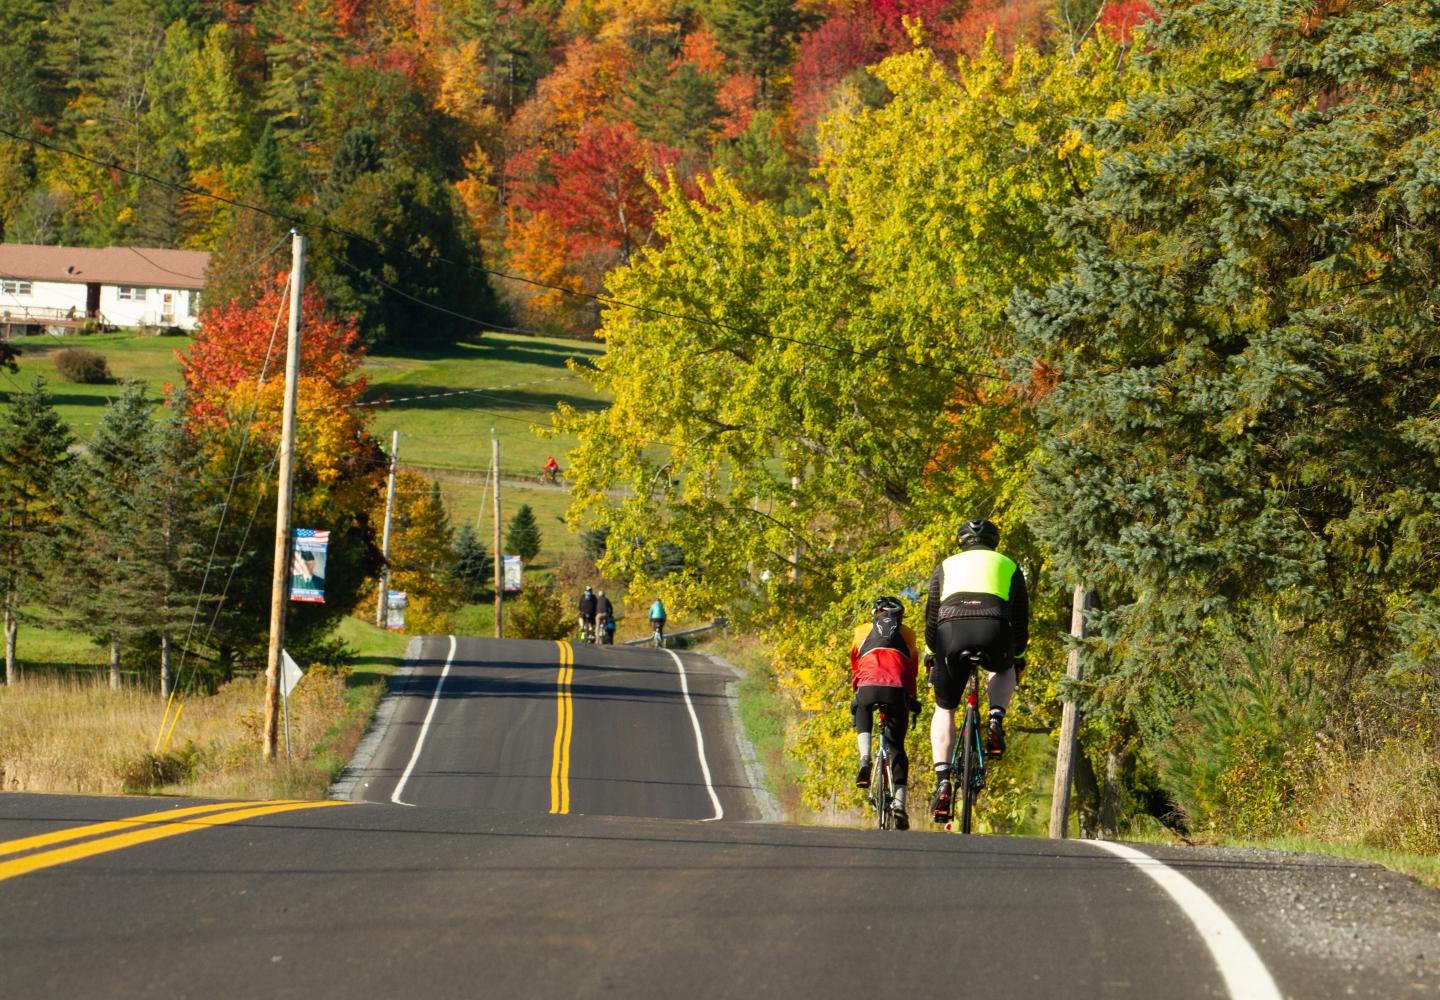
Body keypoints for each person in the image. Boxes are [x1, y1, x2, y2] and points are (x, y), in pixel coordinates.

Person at [924, 518, 1029, 824]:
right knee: (1005, 666)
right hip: (994, 628)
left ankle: (943, 779)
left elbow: (931, 615)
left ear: (961, 542)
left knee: (944, 708)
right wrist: (1018, 655)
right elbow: (1021, 617)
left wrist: (933, 653)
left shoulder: (946, 565)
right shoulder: (1008, 565)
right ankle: (996, 719)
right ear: (994, 542)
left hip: (950, 630)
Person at [850, 595, 922, 830]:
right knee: (897, 748)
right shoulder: (908, 634)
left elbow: (856, 663)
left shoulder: (861, 631)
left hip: (868, 688)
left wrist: (856, 695)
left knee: (863, 708)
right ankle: (900, 806)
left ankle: (865, 758)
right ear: (899, 615)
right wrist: (912, 699)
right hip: (896, 690)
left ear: (876, 613)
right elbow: (911, 670)